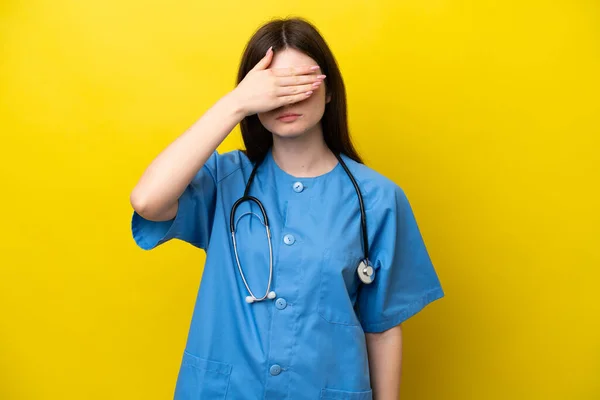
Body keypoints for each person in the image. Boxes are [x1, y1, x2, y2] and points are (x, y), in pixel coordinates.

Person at [130, 17, 444, 400]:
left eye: (301, 82)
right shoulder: (225, 179)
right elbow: (147, 201)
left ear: (329, 90)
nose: (287, 98)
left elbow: (382, 326)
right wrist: (235, 104)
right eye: (273, 87)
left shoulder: (377, 199)